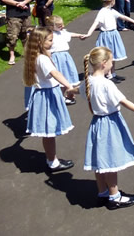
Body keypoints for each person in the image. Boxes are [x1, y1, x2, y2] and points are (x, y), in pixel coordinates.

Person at [80, 46, 134, 209]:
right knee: (110, 161)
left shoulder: (87, 81)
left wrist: (69, 91)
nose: (113, 64)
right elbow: (124, 102)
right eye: (112, 61)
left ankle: (102, 193)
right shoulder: (106, 84)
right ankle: (114, 196)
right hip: (110, 123)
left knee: (99, 161)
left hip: (96, 123)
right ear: (104, 63)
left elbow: (76, 90)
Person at [23, 27, 78, 172]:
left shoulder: (37, 55)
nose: (52, 42)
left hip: (45, 94)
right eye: (50, 40)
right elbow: (55, 73)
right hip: (47, 96)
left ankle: (52, 159)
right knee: (49, 132)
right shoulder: (42, 59)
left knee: (50, 132)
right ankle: (52, 162)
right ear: (40, 42)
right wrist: (69, 86)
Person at [81, 0, 134, 83]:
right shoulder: (102, 12)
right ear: (112, 1)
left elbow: (122, 17)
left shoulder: (112, 11)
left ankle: (113, 73)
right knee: (107, 56)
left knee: (113, 55)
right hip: (106, 35)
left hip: (113, 34)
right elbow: (96, 23)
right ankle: (108, 75)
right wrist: (89, 34)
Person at [0, 0, 33, 65]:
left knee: (27, 35)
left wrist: (24, 2)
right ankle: (12, 55)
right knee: (12, 37)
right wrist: (17, 4)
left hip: (26, 14)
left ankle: (28, 54)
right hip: (13, 16)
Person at [47, 15, 82, 105]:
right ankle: (61, 96)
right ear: (52, 26)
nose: (62, 27)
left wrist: (79, 35)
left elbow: (70, 34)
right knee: (60, 76)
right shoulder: (50, 35)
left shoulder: (62, 32)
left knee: (68, 74)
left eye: (62, 25)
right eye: (59, 26)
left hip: (65, 56)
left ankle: (69, 95)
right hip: (56, 57)